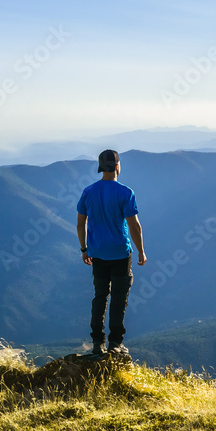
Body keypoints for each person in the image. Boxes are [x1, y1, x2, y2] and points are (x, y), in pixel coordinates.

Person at [76, 150, 147, 356]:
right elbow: (135, 226)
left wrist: (84, 249)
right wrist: (141, 251)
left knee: (100, 296)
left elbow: (81, 223)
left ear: (100, 167)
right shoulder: (126, 193)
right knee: (119, 297)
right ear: (117, 166)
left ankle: (98, 342)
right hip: (120, 253)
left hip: (97, 253)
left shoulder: (88, 192)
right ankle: (116, 343)